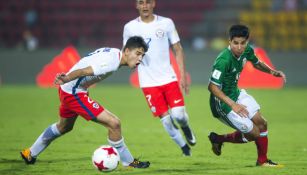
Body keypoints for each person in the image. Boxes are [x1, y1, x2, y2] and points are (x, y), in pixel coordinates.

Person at [20, 36, 150, 168]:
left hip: (69, 90)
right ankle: (128, 162)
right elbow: (84, 71)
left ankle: (30, 153)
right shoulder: (111, 62)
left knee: (64, 127)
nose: (140, 59)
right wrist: (67, 78)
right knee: (114, 123)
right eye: (138, 54)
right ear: (127, 51)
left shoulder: (114, 53)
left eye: (142, 55)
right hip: (74, 92)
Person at [123, 0, 196, 156]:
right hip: (148, 83)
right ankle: (184, 148)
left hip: (168, 78)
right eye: (141, 3)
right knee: (166, 120)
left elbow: (178, 48)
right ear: (136, 5)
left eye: (148, 2)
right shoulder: (129, 28)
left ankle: (185, 126)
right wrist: (131, 63)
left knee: (178, 115)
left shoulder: (166, 23)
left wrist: (182, 75)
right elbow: (127, 53)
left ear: (153, 4)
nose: (145, 6)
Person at [207, 24, 286, 167]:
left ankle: (262, 161)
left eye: (242, 43)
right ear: (229, 42)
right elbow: (212, 86)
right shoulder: (223, 60)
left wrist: (272, 72)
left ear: (247, 42)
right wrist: (233, 104)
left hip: (236, 94)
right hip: (222, 104)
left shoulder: (247, 51)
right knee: (254, 133)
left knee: (262, 122)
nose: (239, 47)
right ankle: (219, 139)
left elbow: (256, 63)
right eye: (235, 43)